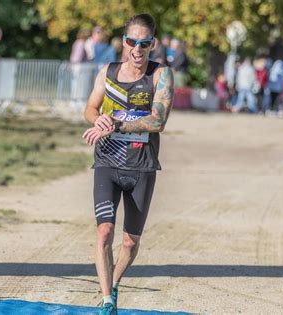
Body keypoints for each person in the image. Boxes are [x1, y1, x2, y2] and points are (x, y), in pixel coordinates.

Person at [82, 13, 174, 315]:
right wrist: (99, 120)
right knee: (104, 232)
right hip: (107, 161)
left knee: (130, 243)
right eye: (132, 41)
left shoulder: (161, 75)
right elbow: (90, 108)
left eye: (144, 43)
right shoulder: (107, 72)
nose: (137, 49)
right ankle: (106, 300)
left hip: (142, 166)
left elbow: (158, 121)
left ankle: (114, 284)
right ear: (124, 41)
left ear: (153, 45)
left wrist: (117, 124)